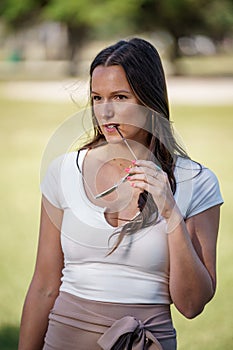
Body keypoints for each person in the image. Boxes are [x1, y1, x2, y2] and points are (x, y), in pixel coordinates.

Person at [18, 37, 223, 350]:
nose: (105, 110)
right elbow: (44, 286)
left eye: (120, 96)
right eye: (97, 98)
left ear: (149, 100)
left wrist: (170, 213)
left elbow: (192, 305)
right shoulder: (64, 172)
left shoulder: (197, 181)